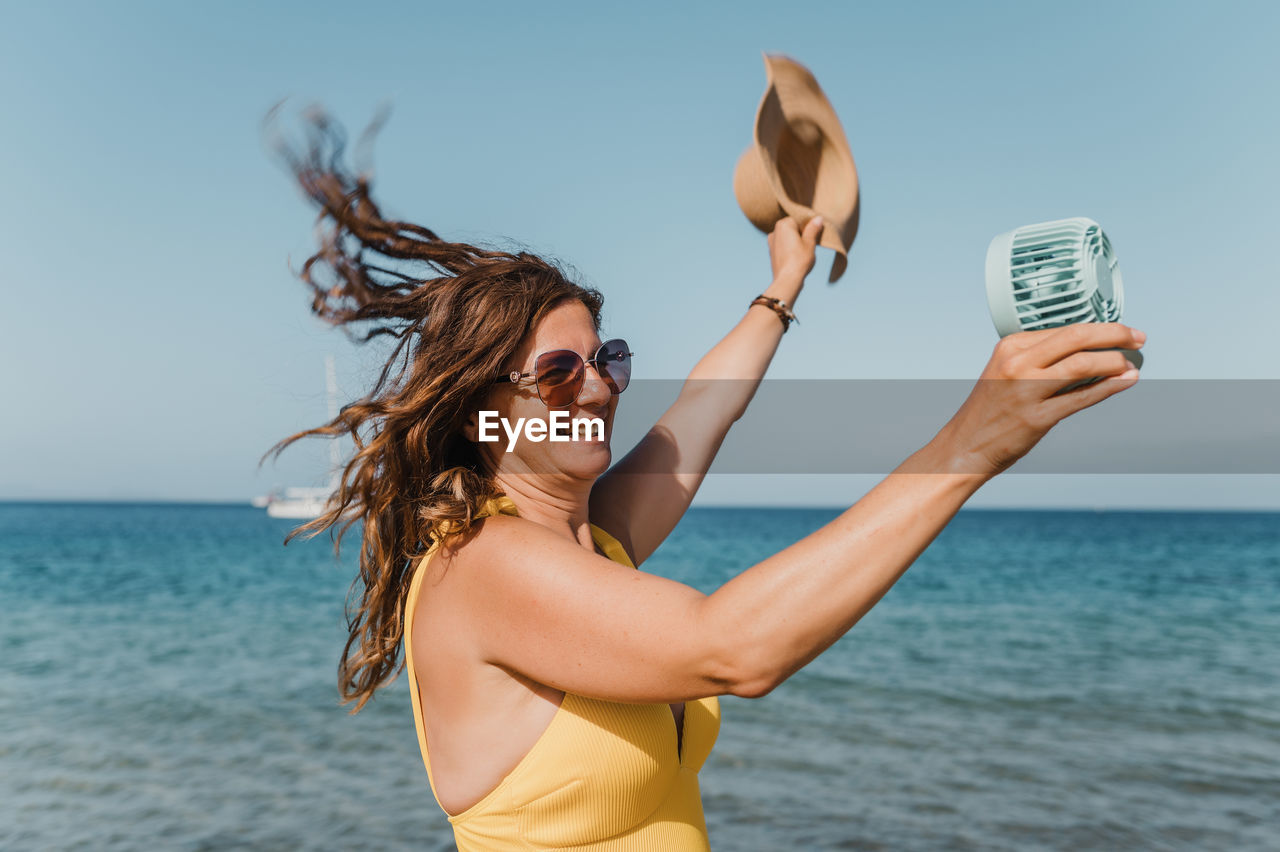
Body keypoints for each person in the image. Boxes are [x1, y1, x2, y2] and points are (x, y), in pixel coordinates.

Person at [269, 114, 1145, 850]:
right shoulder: (485, 570)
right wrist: (971, 445)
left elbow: (704, 408)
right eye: (559, 370)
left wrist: (784, 286)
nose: (598, 386)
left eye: (607, 359)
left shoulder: (595, 539)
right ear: (477, 411)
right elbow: (736, 649)